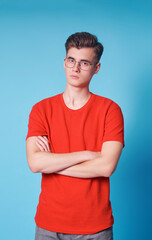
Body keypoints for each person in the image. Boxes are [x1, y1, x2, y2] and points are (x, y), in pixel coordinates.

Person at [26, 32, 124, 240]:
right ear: (64, 62)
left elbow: (105, 167)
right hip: (48, 226)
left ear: (96, 68)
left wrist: (53, 162)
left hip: (94, 228)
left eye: (84, 63)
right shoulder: (41, 110)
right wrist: (88, 154)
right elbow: (35, 163)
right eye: (71, 60)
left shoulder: (110, 110)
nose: (76, 68)